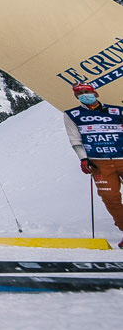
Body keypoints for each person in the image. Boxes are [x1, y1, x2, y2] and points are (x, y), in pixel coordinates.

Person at [66, 83, 123, 246]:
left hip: (121, 156)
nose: (84, 95)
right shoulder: (72, 114)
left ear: (95, 93)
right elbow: (75, 139)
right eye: (80, 93)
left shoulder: (117, 111)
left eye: (87, 92)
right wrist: (83, 158)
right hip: (99, 162)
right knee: (110, 198)